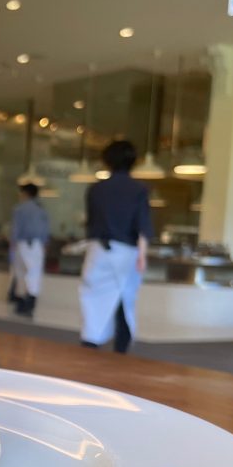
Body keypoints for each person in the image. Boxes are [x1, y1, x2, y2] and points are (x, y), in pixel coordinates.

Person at [79, 140, 153, 353]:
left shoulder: (96, 189)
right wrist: (143, 255)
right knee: (124, 298)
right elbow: (142, 226)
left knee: (93, 298)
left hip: (97, 250)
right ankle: (121, 347)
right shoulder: (139, 190)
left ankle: (90, 342)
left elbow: (90, 223)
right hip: (126, 252)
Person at [10, 183, 50, 317]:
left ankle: (22, 302)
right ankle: (30, 302)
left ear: (25, 193)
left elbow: (16, 229)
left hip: (22, 244)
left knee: (21, 273)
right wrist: (45, 245)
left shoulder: (20, 209)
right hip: (36, 245)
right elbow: (46, 230)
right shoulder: (41, 210)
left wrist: (12, 245)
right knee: (33, 273)